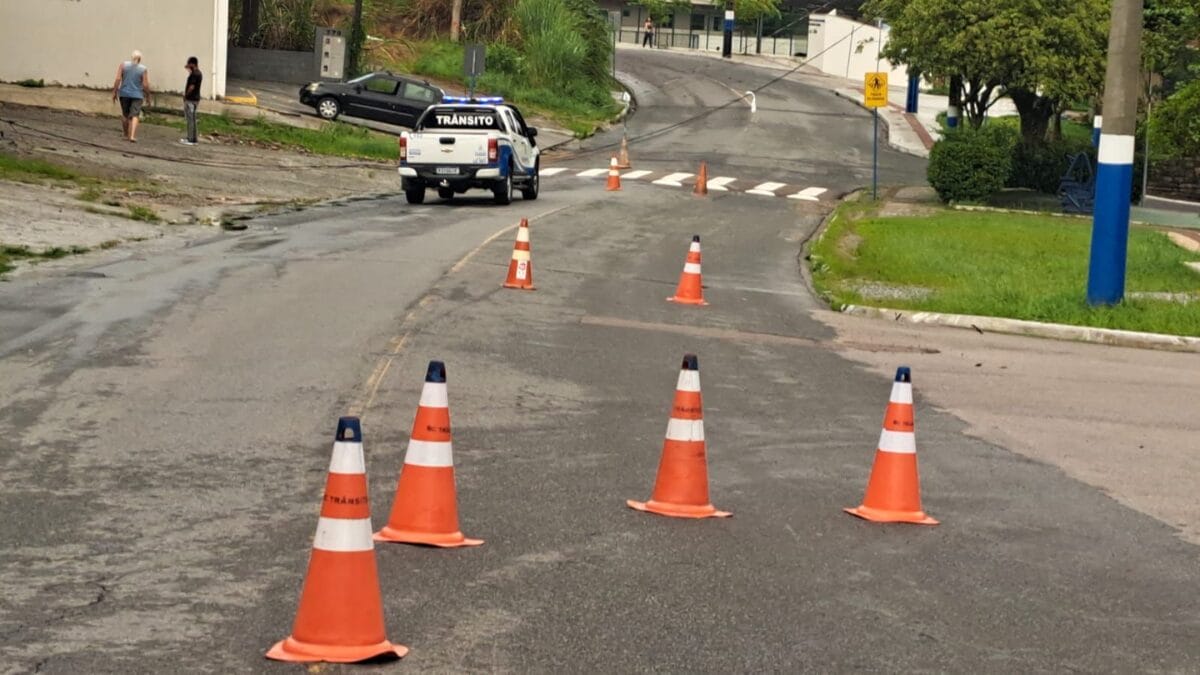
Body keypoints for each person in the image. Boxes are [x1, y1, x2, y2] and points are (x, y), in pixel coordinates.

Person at [112, 50, 151, 142]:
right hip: (137, 95)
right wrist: (148, 96)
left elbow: (118, 79)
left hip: (124, 93)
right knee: (135, 115)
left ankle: (126, 134)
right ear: (140, 59)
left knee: (125, 114)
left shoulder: (123, 65)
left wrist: (114, 91)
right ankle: (132, 136)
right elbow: (145, 84)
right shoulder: (143, 69)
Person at [181, 56, 202, 146]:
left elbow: (192, 87)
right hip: (194, 99)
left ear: (193, 64)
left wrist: (186, 96)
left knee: (191, 120)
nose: (188, 66)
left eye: (189, 64)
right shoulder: (197, 73)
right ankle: (191, 137)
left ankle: (191, 139)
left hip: (191, 99)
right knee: (191, 119)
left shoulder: (195, 74)